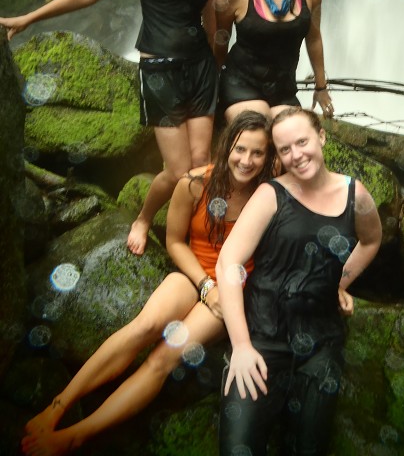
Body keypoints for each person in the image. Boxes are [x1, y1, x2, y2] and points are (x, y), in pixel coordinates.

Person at [20, 110, 276, 456]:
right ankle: (58, 406)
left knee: (164, 357)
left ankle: (76, 435)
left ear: (268, 156)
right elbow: (175, 242)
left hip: (231, 293)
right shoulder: (195, 183)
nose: (246, 160)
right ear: (227, 146)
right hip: (194, 275)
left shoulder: (268, 194)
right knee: (144, 326)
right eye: (240, 149)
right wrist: (205, 285)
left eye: (257, 152)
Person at [0, 0, 231, 256]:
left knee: (201, 166)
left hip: (201, 70)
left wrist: (219, 62)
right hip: (160, 72)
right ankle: (144, 217)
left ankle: (190, 238)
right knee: (177, 170)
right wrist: (30, 18)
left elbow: (208, 13)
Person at [216, 107, 382, 456]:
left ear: (321, 137)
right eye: (285, 149)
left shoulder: (355, 195)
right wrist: (242, 346)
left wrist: (339, 282)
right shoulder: (270, 195)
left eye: (302, 142)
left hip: (319, 344)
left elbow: (371, 240)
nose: (296, 155)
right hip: (262, 338)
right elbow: (229, 262)